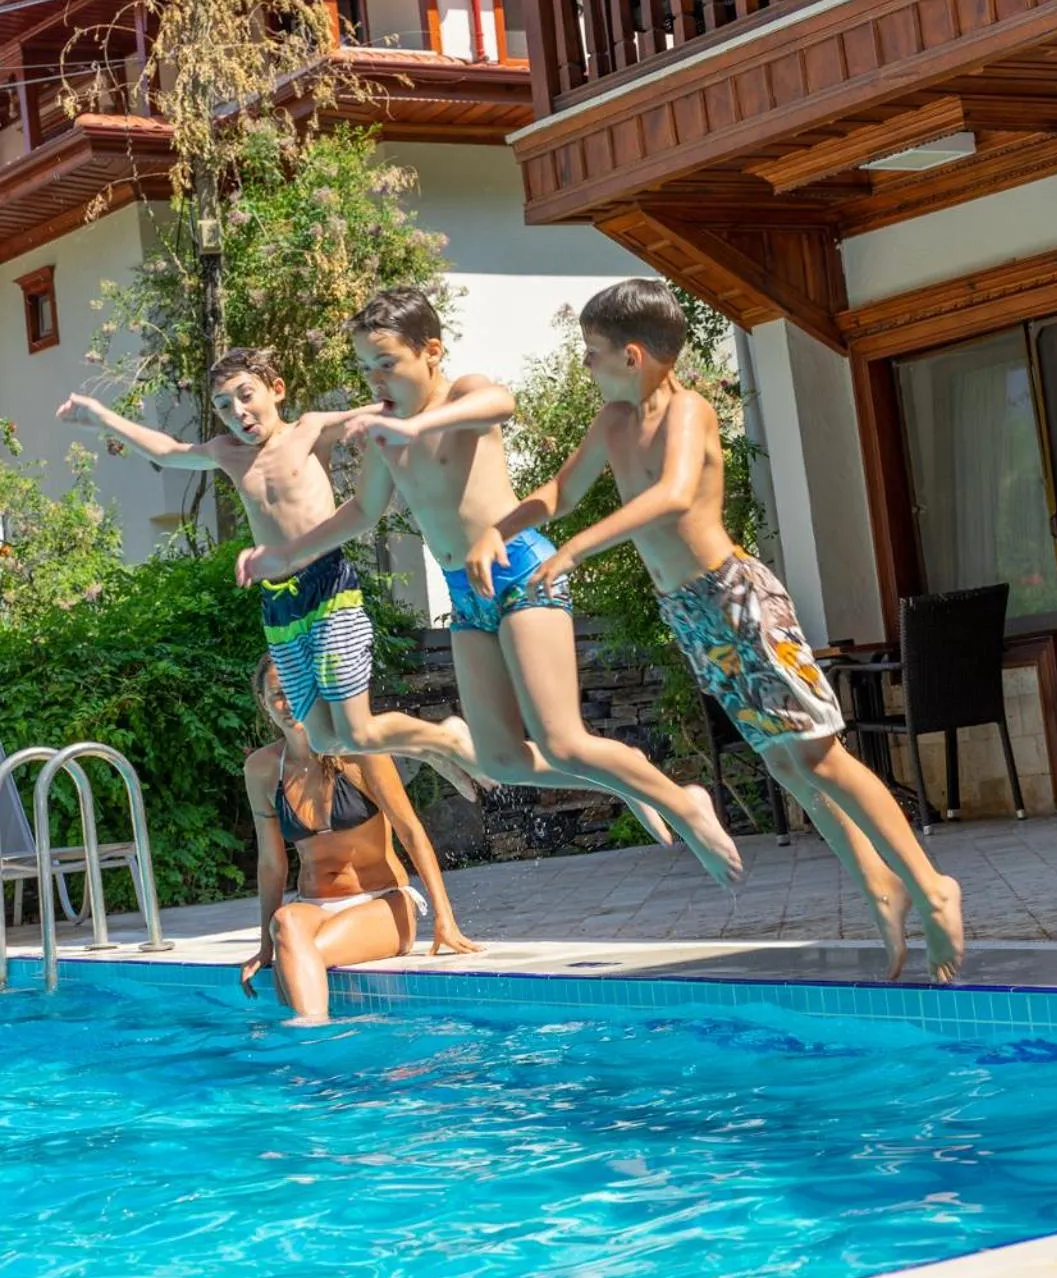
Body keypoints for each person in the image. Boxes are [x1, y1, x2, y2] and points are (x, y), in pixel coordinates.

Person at [467, 278, 966, 982]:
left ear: (632, 355)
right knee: (785, 762)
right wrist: (498, 530)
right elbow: (558, 493)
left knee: (820, 756)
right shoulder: (612, 423)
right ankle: (878, 887)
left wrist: (577, 549)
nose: (586, 366)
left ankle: (928, 884)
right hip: (691, 614)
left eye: (591, 354)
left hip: (736, 598)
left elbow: (671, 497)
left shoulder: (690, 412)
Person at [234, 287, 742, 887]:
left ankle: (685, 804)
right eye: (365, 368)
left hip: (521, 570)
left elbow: (502, 403)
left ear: (431, 352)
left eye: (387, 363)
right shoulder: (384, 429)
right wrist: (285, 554)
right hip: (465, 591)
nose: (375, 380)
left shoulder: (464, 394)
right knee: (502, 758)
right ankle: (626, 772)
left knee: (560, 740)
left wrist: (411, 426)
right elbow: (362, 512)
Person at [57, 350, 482, 797]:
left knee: (356, 732)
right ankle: (432, 747)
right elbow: (168, 450)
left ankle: (448, 737)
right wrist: (103, 418)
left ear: (276, 390)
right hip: (279, 607)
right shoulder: (228, 454)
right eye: (224, 406)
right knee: (322, 738)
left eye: (245, 396)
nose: (237, 413)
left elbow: (384, 408)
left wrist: (442, 395)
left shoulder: (310, 430)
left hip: (329, 589)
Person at [241, 653, 481, 1019]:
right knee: (285, 923)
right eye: (277, 694)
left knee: (302, 955)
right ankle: (314, 1034)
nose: (288, 703)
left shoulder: (358, 754)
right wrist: (264, 946)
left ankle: (311, 1039)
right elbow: (272, 865)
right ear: (262, 702)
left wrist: (444, 918)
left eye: (296, 689)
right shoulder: (261, 769)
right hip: (313, 905)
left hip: (381, 902)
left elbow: (410, 832)